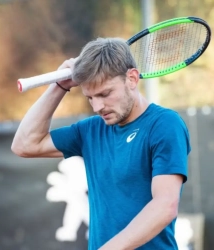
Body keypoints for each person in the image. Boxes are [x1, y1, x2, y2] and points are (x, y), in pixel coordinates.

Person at [11, 37, 191, 250]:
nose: (97, 106)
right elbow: (24, 144)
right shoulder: (90, 130)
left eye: (105, 94)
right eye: (90, 97)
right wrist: (58, 86)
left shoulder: (164, 124)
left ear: (132, 79)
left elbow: (165, 206)